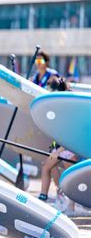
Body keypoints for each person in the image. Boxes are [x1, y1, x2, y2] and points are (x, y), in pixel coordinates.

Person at [38, 77, 78, 212]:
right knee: (47, 167)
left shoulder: (67, 104)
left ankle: (71, 206)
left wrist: (59, 150)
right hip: (59, 146)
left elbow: (71, 132)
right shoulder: (53, 104)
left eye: (50, 89)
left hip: (71, 146)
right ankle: (44, 198)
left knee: (70, 176)